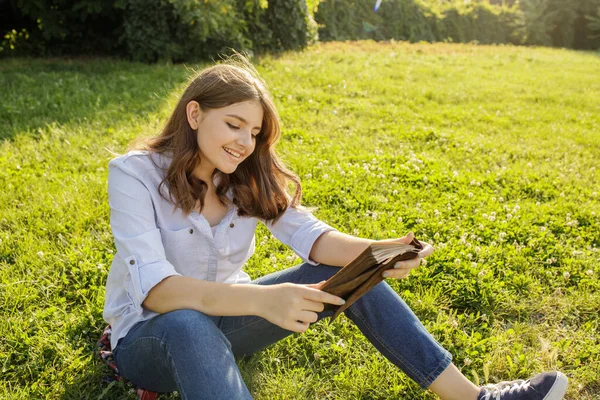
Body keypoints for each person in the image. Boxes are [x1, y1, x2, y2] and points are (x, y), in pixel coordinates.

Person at [102, 55, 568, 400]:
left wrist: (380, 252)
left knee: (357, 275)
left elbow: (313, 238)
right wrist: (265, 300)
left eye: (255, 133)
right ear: (195, 114)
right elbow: (157, 293)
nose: (245, 143)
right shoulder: (134, 174)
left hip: (228, 320)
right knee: (186, 325)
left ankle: (474, 398)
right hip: (150, 336)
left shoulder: (244, 175)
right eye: (234, 124)